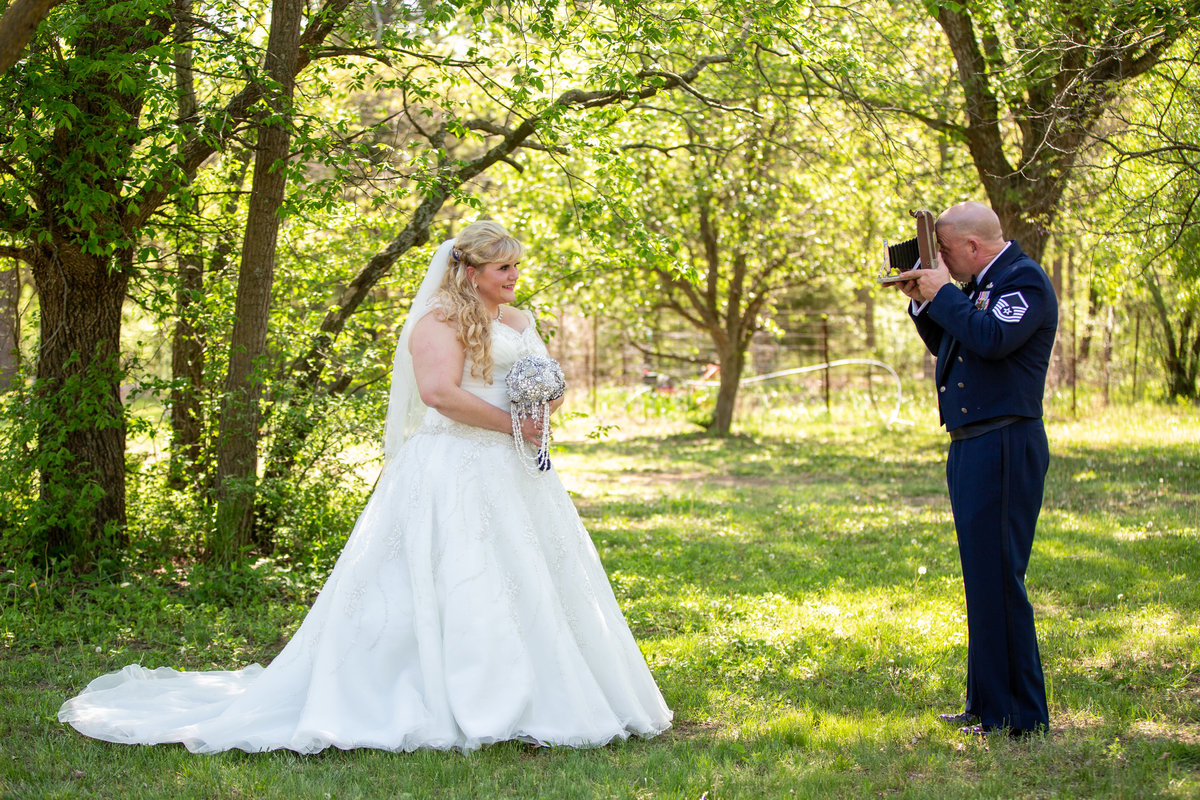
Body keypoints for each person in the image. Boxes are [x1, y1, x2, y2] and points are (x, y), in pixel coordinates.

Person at [58, 220, 672, 753]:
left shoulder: (517, 317)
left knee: (528, 577)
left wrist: (546, 401)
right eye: (504, 267)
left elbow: (539, 375)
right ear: (473, 269)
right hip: (455, 465)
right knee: (458, 575)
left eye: (515, 267)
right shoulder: (437, 321)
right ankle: (443, 693)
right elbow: (438, 395)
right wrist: (516, 426)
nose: (514, 276)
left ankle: (541, 692)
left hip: (514, 469)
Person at [894, 201, 1056, 738]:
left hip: (1005, 440)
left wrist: (944, 295)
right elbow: (955, 346)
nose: (936, 260)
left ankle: (1020, 716)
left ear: (970, 246)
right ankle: (987, 703)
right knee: (981, 579)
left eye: (941, 251)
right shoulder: (981, 286)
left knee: (1000, 579)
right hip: (971, 442)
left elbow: (991, 339)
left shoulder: (1022, 281)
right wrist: (925, 305)